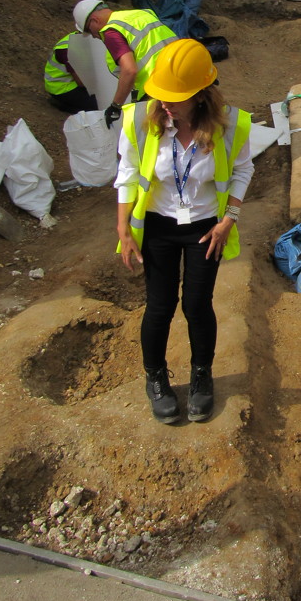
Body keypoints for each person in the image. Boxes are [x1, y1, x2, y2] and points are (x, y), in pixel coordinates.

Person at [114, 38, 253, 424]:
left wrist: (230, 220)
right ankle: (155, 378)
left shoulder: (231, 125)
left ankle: (201, 376)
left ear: (200, 95)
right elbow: (125, 174)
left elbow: (243, 171)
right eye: (160, 95)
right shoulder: (141, 120)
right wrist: (124, 228)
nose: (164, 104)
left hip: (206, 229)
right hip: (158, 227)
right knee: (159, 306)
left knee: (196, 305)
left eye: (174, 98)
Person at [73, 0, 178, 128]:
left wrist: (115, 106)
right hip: (183, 71)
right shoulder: (141, 14)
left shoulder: (111, 31)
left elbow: (129, 70)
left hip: (159, 86)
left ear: (95, 20)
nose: (94, 36)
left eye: (90, 31)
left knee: (160, 134)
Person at [43, 32, 98, 113]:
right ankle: (63, 105)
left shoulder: (84, 40)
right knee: (98, 105)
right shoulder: (67, 50)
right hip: (61, 88)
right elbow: (81, 82)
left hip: (73, 81)